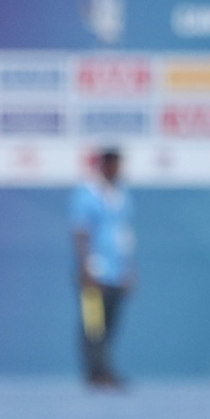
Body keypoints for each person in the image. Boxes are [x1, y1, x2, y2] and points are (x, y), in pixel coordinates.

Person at [71, 147, 136, 388]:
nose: (118, 171)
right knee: (93, 325)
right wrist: (85, 266)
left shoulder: (122, 195)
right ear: (104, 166)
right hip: (94, 273)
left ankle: (104, 369)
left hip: (116, 273)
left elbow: (125, 236)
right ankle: (97, 373)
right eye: (114, 165)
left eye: (120, 166)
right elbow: (80, 232)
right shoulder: (86, 195)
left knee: (109, 326)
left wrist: (129, 270)